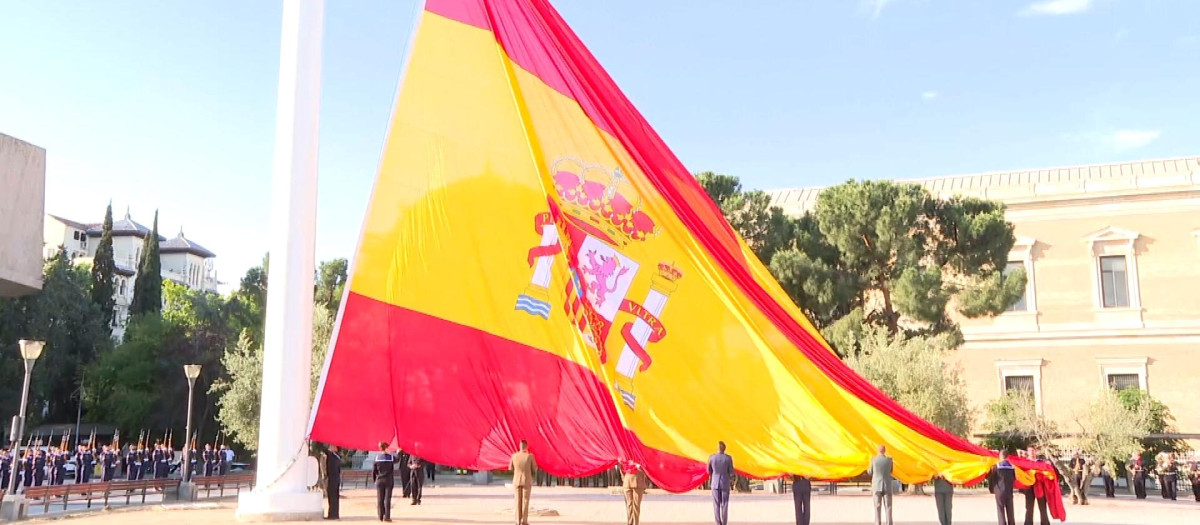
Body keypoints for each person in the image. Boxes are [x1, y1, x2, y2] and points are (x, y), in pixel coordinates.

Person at [706, 441, 734, 525]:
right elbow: (731, 471)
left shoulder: (712, 457)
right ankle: (724, 522)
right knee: (725, 504)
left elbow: (708, 471)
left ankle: (718, 522)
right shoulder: (728, 458)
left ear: (718, 448)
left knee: (716, 504)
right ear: (724, 449)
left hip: (715, 483)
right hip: (725, 483)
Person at [510, 440, 536, 525]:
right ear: (526, 446)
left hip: (516, 480)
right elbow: (534, 469)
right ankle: (524, 520)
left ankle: (517, 520)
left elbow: (510, 468)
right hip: (526, 480)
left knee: (517, 500)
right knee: (525, 501)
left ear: (519, 446)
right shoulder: (530, 456)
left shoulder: (514, 456)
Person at [868, 445, 894, 525]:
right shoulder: (889, 460)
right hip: (887, 485)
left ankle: (877, 523)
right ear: (885, 451)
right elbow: (891, 471)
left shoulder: (873, 460)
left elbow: (869, 472)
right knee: (888, 507)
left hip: (877, 486)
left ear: (878, 450)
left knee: (877, 507)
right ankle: (889, 523)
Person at [371, 442, 396, 522]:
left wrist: (375, 480)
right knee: (387, 499)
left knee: (380, 499)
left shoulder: (377, 457)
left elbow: (374, 471)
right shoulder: (391, 457)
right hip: (388, 480)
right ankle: (387, 517)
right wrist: (399, 451)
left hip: (379, 480)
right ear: (386, 448)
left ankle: (380, 516)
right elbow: (398, 459)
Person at [992, 450, 1017, 525]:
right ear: (1007, 456)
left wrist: (993, 489)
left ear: (1001, 456)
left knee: (1000, 511)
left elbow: (992, 478)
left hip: (999, 491)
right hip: (1009, 491)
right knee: (1010, 510)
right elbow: (1014, 478)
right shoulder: (1012, 467)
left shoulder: (996, 466)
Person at [621, 460, 648, 525]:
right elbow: (621, 468)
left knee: (634, 506)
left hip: (635, 481)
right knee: (631, 506)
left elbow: (646, 469)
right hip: (630, 481)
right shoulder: (627, 455)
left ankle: (634, 523)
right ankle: (631, 523)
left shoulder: (639, 455)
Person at [323, 445, 341, 520]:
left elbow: (326, 452)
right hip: (336, 479)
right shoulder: (337, 457)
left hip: (332, 479)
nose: (330, 446)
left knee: (332, 497)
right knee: (334, 497)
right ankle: (334, 514)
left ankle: (332, 515)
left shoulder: (333, 456)